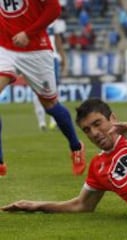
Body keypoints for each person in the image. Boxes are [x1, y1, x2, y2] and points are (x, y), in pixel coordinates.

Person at [0, 0, 85, 176]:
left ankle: (76, 147)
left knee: (51, 105)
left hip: (36, 51)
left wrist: (28, 33)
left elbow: (53, 9)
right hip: (5, 48)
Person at [33, 17, 68, 131]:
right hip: (38, 57)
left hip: (53, 58)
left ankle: (54, 120)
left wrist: (62, 57)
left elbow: (58, 41)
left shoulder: (53, 21)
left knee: (54, 89)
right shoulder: (33, 19)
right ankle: (41, 122)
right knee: (37, 89)